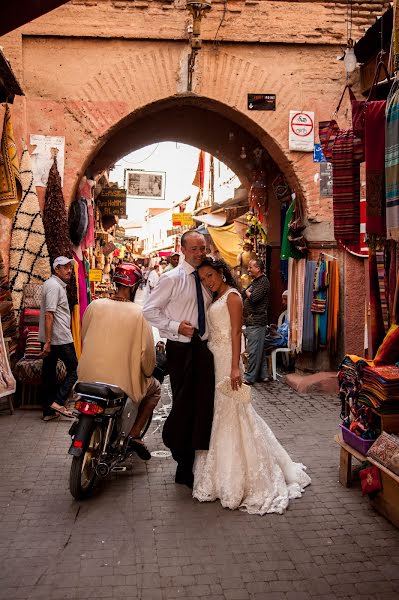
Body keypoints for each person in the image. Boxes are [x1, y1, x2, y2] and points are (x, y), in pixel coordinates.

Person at [193, 257, 311, 515]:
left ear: (221, 272)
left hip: (227, 361)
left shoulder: (233, 296)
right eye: (203, 279)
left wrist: (235, 366)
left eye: (210, 276)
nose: (208, 281)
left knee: (233, 412)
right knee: (224, 413)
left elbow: (237, 332)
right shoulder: (217, 297)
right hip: (215, 359)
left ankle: (242, 475)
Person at [143, 230, 215, 488]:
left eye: (202, 248)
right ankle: (182, 461)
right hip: (181, 349)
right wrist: (174, 326)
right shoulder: (171, 279)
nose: (199, 253)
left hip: (205, 350)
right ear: (183, 250)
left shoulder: (209, 277)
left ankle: (198, 460)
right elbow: (149, 310)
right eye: (194, 248)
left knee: (204, 405)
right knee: (184, 405)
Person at [78, 263, 161, 459]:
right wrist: (148, 372)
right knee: (155, 390)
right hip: (121, 381)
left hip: (87, 376)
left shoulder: (94, 306)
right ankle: (134, 435)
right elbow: (147, 357)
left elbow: (84, 336)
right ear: (134, 287)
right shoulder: (139, 314)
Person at [39, 256, 78, 421]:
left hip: (52, 338)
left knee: (48, 373)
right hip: (59, 338)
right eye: (65, 267)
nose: (69, 270)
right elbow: (49, 314)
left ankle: (48, 412)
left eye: (70, 267)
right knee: (75, 369)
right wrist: (48, 342)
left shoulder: (52, 284)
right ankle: (58, 401)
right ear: (56, 269)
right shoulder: (54, 286)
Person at [242, 258, 270, 385]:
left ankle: (250, 377)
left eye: (250, 267)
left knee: (253, 350)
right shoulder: (256, 281)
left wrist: (248, 292)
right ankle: (263, 375)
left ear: (258, 269)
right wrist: (247, 292)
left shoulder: (263, 281)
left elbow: (253, 298)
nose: (248, 269)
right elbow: (244, 292)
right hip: (253, 320)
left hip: (257, 320)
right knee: (259, 349)